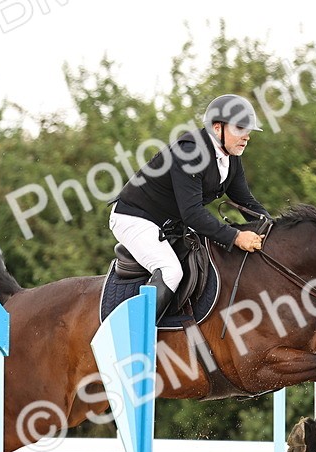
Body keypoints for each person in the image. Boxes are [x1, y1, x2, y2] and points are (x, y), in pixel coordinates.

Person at [110, 93, 271, 320]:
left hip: (168, 224)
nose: (247, 136)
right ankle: (136, 336)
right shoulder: (190, 151)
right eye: (240, 128)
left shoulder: (230, 157)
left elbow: (247, 202)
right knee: (171, 271)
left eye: (248, 130)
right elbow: (192, 213)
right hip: (134, 217)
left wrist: (274, 229)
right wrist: (235, 237)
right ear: (218, 128)